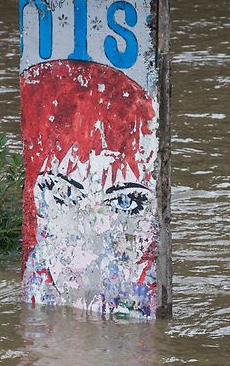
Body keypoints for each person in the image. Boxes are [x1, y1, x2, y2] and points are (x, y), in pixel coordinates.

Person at [21, 58, 161, 317]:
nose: (96, 226)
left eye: (124, 202)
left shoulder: (144, 290)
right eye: (64, 196)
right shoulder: (38, 285)